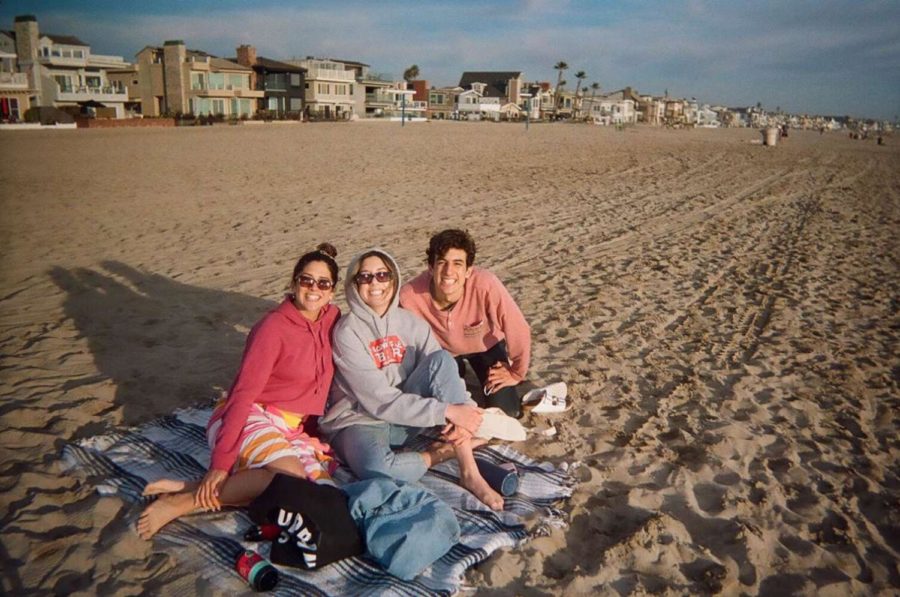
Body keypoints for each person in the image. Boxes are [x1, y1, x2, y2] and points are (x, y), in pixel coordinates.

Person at [137, 243, 342, 539]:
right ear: (294, 283)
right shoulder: (272, 328)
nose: (314, 289)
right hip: (248, 415)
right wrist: (220, 465)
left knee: (311, 489)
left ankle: (192, 487)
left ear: (332, 291)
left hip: (289, 428)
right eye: (306, 280)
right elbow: (243, 394)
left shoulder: (332, 319)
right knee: (292, 477)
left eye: (323, 283)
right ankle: (183, 503)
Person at [319, 248, 504, 511]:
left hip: (406, 420)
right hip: (361, 419)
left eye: (382, 275)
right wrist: (447, 410)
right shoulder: (347, 333)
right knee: (379, 470)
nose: (375, 283)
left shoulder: (411, 323)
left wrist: (465, 410)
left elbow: (442, 372)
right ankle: (441, 453)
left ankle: (469, 469)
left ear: (393, 280)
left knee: (442, 359)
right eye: (366, 277)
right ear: (354, 284)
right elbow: (379, 401)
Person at [399, 229, 530, 418]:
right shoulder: (409, 296)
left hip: (486, 346)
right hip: (443, 354)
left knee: (508, 411)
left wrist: (516, 372)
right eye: (442, 262)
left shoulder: (485, 284)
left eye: (457, 263)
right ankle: (460, 372)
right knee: (446, 412)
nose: (448, 271)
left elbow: (518, 327)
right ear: (431, 267)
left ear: (469, 270)